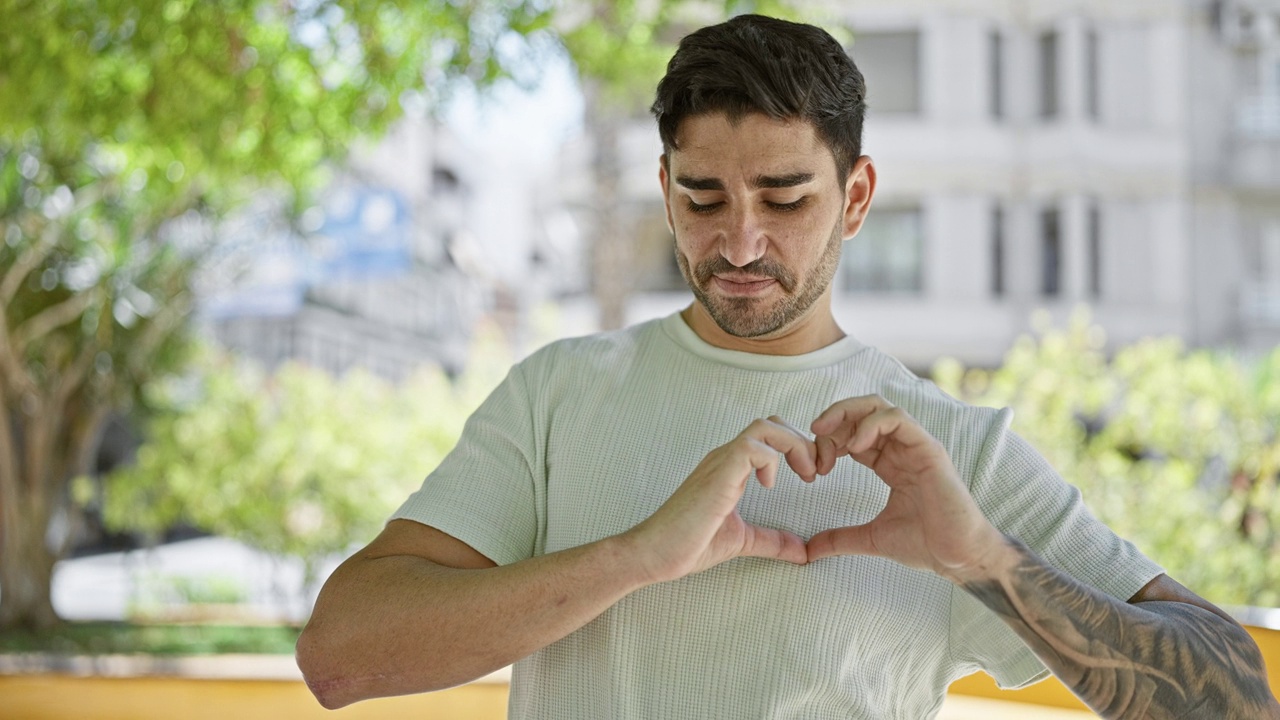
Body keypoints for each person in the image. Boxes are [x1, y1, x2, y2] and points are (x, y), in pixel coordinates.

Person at [296, 14, 1280, 719]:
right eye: (704, 198)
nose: (738, 242)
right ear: (663, 189)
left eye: (784, 198)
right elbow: (339, 658)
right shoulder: (557, 395)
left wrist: (979, 559)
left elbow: (1232, 699)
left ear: (854, 199)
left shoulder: (952, 451)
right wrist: (638, 556)